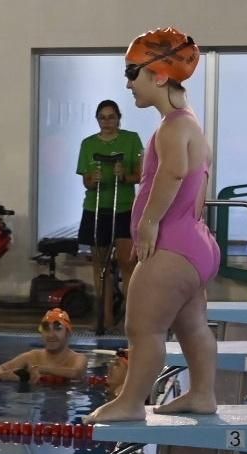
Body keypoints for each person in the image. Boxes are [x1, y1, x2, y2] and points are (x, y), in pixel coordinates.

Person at [85, 28, 220, 424]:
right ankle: (202, 393)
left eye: (132, 73)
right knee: (192, 325)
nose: (128, 84)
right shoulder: (189, 124)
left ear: (159, 75)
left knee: (142, 327)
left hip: (173, 243)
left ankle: (130, 402)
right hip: (195, 242)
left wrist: (149, 223)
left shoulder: (174, 126)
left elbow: (174, 172)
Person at [77, 99, 144, 330]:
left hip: (124, 208)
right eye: (102, 118)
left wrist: (124, 175)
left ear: (118, 118)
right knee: (101, 266)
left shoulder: (131, 139)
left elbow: (141, 175)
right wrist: (92, 180)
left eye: (111, 117)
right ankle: (104, 317)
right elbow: (86, 180)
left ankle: (131, 317)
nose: (107, 122)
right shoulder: (88, 144)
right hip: (96, 209)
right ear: (97, 119)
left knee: (128, 263)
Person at [0, 308, 89, 383]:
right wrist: (3, 374)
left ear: (68, 333)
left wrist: (41, 369)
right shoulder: (32, 356)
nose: (51, 335)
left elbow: (77, 372)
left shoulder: (78, 358)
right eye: (46, 329)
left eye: (57, 328)